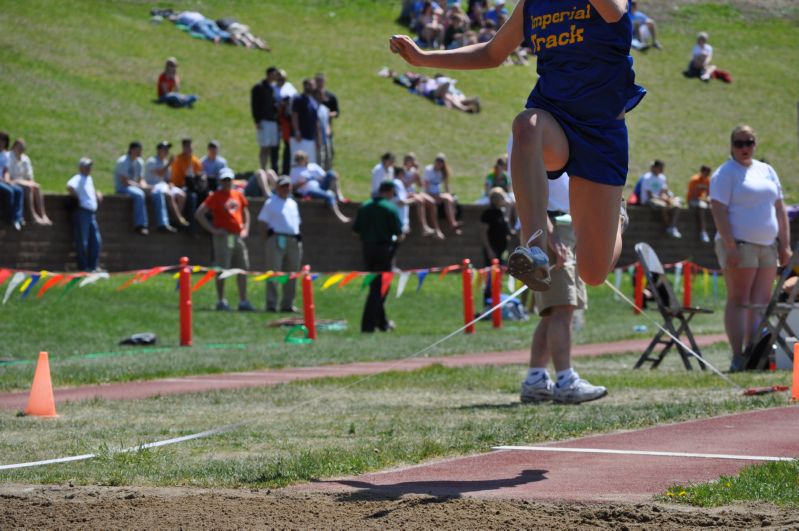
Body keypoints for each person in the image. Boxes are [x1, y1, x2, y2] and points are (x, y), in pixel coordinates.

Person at [391, 0, 643, 292]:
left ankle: (617, 216)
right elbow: (492, 52)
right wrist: (423, 58)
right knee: (526, 126)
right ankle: (534, 247)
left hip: (600, 132)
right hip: (554, 116)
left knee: (592, 273)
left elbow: (614, 11)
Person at [519, 173, 607, 404]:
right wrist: (550, 236)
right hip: (552, 227)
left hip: (561, 226)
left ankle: (535, 380)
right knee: (562, 307)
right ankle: (566, 381)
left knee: (552, 311)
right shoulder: (529, 137)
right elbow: (527, 189)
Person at [709, 125, 791, 371]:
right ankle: (737, 356)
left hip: (767, 246)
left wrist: (784, 245)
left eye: (749, 142)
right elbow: (718, 210)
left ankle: (755, 352)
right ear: (731, 146)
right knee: (739, 299)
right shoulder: (725, 173)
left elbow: (779, 208)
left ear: (755, 144)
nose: (745, 147)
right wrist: (730, 245)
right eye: (739, 143)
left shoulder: (766, 170)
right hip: (739, 245)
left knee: (761, 301)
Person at [194, 168, 255, 312]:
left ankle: (243, 301)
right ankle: (221, 300)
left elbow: (245, 211)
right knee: (222, 269)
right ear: (220, 181)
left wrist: (246, 228)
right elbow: (199, 213)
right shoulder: (215, 196)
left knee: (242, 268)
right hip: (223, 237)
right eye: (224, 180)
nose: (227, 183)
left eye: (229, 180)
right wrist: (213, 230)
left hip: (237, 236)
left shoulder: (238, 195)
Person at [353, 181, 403, 333]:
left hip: (367, 249)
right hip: (384, 250)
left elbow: (356, 231)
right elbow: (399, 234)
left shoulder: (364, 206)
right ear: (389, 192)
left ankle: (382, 323)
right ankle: (367, 325)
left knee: (374, 285)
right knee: (380, 289)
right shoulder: (390, 208)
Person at [258, 176, 302, 313]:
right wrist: (267, 240)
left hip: (293, 241)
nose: (285, 189)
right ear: (277, 188)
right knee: (274, 272)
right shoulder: (270, 202)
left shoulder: (293, 203)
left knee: (292, 274)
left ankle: (288, 304)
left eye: (288, 186)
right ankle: (271, 303)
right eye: (283, 186)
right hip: (276, 239)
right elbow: (262, 222)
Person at [289, 150, 350, 223]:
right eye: (297, 159)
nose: (299, 161)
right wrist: (301, 183)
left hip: (319, 187)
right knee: (329, 195)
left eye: (301, 158)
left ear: (306, 158)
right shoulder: (295, 171)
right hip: (309, 191)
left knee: (331, 173)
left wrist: (332, 176)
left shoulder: (313, 166)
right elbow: (292, 187)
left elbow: (324, 176)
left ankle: (339, 197)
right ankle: (339, 216)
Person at [67, 158, 102, 272]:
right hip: (82, 212)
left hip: (91, 213)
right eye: (87, 166)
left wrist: (96, 193)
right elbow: (70, 186)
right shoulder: (78, 178)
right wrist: (78, 198)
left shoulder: (89, 179)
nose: (89, 169)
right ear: (81, 167)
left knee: (96, 240)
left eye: (90, 167)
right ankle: (83, 267)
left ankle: (93, 266)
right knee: (83, 241)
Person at [144, 141, 190, 229]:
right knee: (168, 194)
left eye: (167, 149)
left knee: (182, 195)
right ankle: (179, 218)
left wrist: (171, 184)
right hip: (153, 186)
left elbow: (168, 179)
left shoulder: (166, 163)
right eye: (164, 149)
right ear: (158, 150)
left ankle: (174, 219)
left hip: (164, 185)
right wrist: (169, 163)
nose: (166, 151)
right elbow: (160, 173)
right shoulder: (152, 161)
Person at [7, 138, 51, 225]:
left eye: (22, 148)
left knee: (37, 187)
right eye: (19, 147)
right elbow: (9, 175)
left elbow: (29, 176)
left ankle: (43, 214)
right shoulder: (9, 156)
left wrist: (31, 182)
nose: (21, 150)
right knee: (28, 187)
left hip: (23, 181)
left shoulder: (25, 159)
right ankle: (32, 215)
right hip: (13, 181)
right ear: (14, 147)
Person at [116, 141, 154, 234]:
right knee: (139, 194)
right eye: (138, 150)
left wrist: (147, 186)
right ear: (132, 150)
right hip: (122, 187)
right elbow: (124, 181)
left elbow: (141, 179)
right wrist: (139, 186)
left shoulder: (139, 162)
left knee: (152, 192)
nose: (140, 152)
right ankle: (140, 225)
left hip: (134, 187)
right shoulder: (123, 161)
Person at [639, 160, 681, 238]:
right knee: (663, 206)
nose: (662, 170)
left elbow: (663, 191)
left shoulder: (662, 177)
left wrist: (666, 197)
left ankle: (672, 227)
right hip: (649, 200)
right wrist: (662, 199)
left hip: (660, 199)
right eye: (660, 168)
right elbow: (650, 195)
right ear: (655, 168)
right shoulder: (647, 177)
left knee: (677, 205)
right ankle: (668, 226)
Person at [423, 153, 461, 234]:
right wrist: (431, 196)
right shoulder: (428, 170)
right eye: (438, 161)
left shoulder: (443, 172)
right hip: (429, 194)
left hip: (438, 194)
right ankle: (453, 223)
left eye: (441, 162)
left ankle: (453, 223)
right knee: (447, 198)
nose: (439, 163)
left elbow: (446, 187)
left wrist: (449, 195)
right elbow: (426, 186)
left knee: (451, 199)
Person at [252, 67, 280, 172]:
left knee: (271, 146)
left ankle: (269, 168)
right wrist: (257, 120)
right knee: (264, 146)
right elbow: (254, 105)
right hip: (264, 120)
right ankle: (262, 168)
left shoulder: (273, 88)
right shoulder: (259, 87)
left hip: (273, 121)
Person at [171, 138, 206, 220]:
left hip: (192, 187)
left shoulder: (195, 161)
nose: (189, 149)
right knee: (192, 197)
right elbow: (178, 178)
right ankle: (190, 223)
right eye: (186, 147)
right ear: (183, 147)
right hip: (179, 186)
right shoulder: (178, 159)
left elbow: (198, 176)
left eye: (190, 146)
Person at [291, 79, 320, 164]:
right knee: (298, 161)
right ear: (305, 85)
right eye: (311, 85)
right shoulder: (298, 99)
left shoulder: (313, 101)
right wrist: (297, 131)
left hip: (311, 136)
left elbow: (316, 121)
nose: (313, 87)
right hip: (301, 137)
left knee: (310, 162)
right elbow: (294, 116)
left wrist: (318, 138)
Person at [0, 131, 24, 230]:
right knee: (9, 192)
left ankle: (18, 218)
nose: (1, 143)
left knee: (18, 190)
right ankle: (9, 217)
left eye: (3, 141)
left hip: (2, 180)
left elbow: (5, 170)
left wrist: (7, 180)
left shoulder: (5, 155)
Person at [314, 73, 340, 166]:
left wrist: (326, 114)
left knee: (329, 152)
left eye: (321, 81)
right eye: (318, 81)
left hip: (327, 127)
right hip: (315, 131)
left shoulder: (331, 96)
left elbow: (336, 112)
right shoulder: (312, 96)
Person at [686, 164, 712, 243]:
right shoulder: (694, 180)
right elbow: (693, 195)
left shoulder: (707, 180)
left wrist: (708, 199)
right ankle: (703, 231)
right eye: (706, 173)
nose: (707, 175)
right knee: (702, 207)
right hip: (692, 200)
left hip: (701, 200)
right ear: (702, 172)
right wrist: (704, 200)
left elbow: (709, 193)